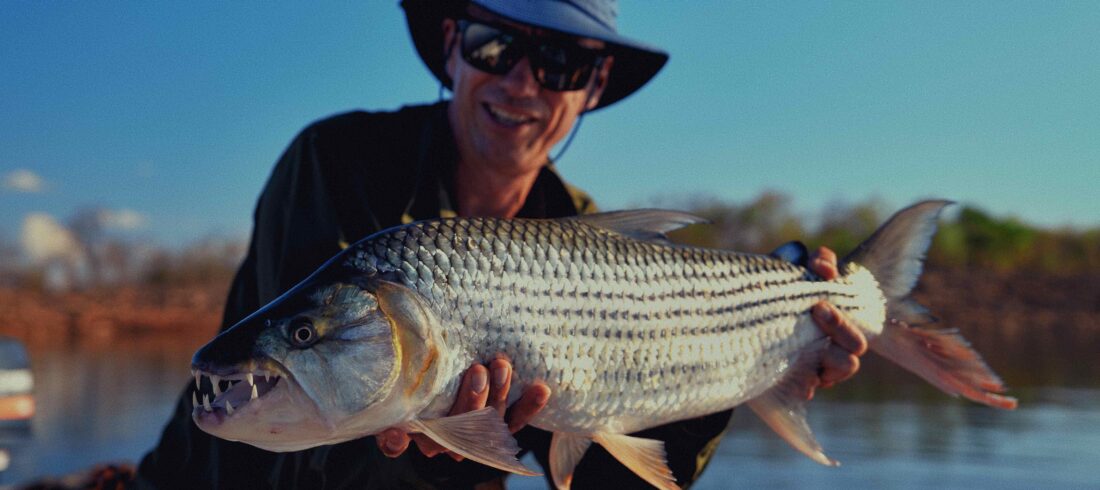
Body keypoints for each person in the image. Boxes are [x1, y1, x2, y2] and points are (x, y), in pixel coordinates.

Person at [136, 1, 867, 488]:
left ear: (593, 86)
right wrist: (447, 442)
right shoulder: (335, 160)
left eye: (561, 65)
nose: (522, 84)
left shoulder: (586, 226)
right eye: (496, 44)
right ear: (453, 45)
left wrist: (762, 356)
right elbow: (314, 443)